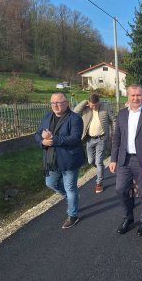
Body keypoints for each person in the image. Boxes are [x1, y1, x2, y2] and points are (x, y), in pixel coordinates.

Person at [109, 84, 142, 236]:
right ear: (128, 96)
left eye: (138, 95)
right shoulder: (122, 115)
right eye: (132, 95)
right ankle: (128, 217)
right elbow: (117, 139)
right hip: (124, 159)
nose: (135, 98)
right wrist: (113, 159)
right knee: (120, 189)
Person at [35, 92, 85, 229]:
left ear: (66, 103)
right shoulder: (47, 117)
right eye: (52, 103)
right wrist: (42, 142)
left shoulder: (74, 119)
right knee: (50, 183)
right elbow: (38, 134)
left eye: (59, 102)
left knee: (70, 187)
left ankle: (73, 215)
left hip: (69, 159)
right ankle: (71, 198)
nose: (55, 105)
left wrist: (53, 139)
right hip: (51, 160)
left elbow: (75, 138)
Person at [74, 93, 114, 194]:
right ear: (89, 103)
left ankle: (99, 183)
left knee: (98, 161)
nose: (94, 107)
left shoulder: (105, 107)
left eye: (96, 105)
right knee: (90, 161)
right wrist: (84, 103)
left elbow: (114, 120)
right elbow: (74, 112)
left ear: (99, 102)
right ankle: (100, 168)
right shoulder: (86, 108)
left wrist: (113, 134)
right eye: (92, 105)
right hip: (89, 139)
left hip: (101, 138)